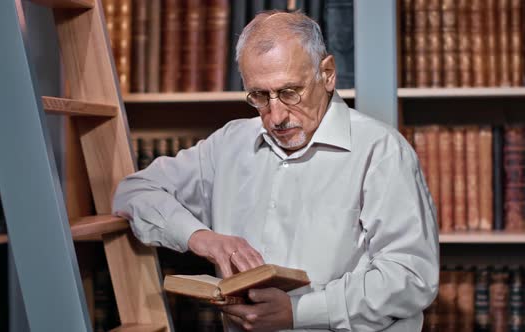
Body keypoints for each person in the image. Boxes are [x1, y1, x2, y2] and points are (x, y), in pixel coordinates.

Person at [113, 11, 439, 332]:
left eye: (289, 92)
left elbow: (411, 277)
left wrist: (299, 312)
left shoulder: (381, 150)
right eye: (259, 96)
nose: (276, 116)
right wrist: (201, 238)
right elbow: (133, 192)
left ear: (327, 74)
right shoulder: (230, 143)